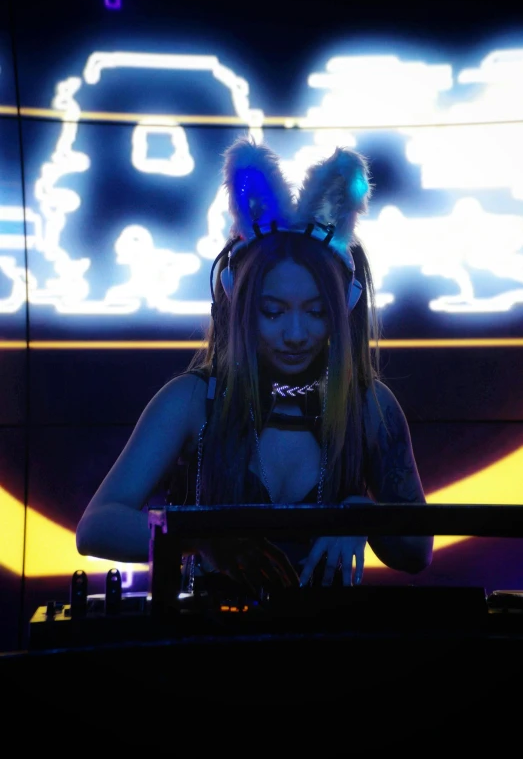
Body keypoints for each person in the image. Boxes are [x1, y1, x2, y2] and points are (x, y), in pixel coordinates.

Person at [76, 135, 433, 595]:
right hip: (207, 649)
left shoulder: (370, 406)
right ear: (240, 306)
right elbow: (98, 525)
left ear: (344, 308)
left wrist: (357, 513)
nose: (296, 333)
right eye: (273, 311)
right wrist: (206, 539)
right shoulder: (192, 401)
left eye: (316, 310)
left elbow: (416, 551)